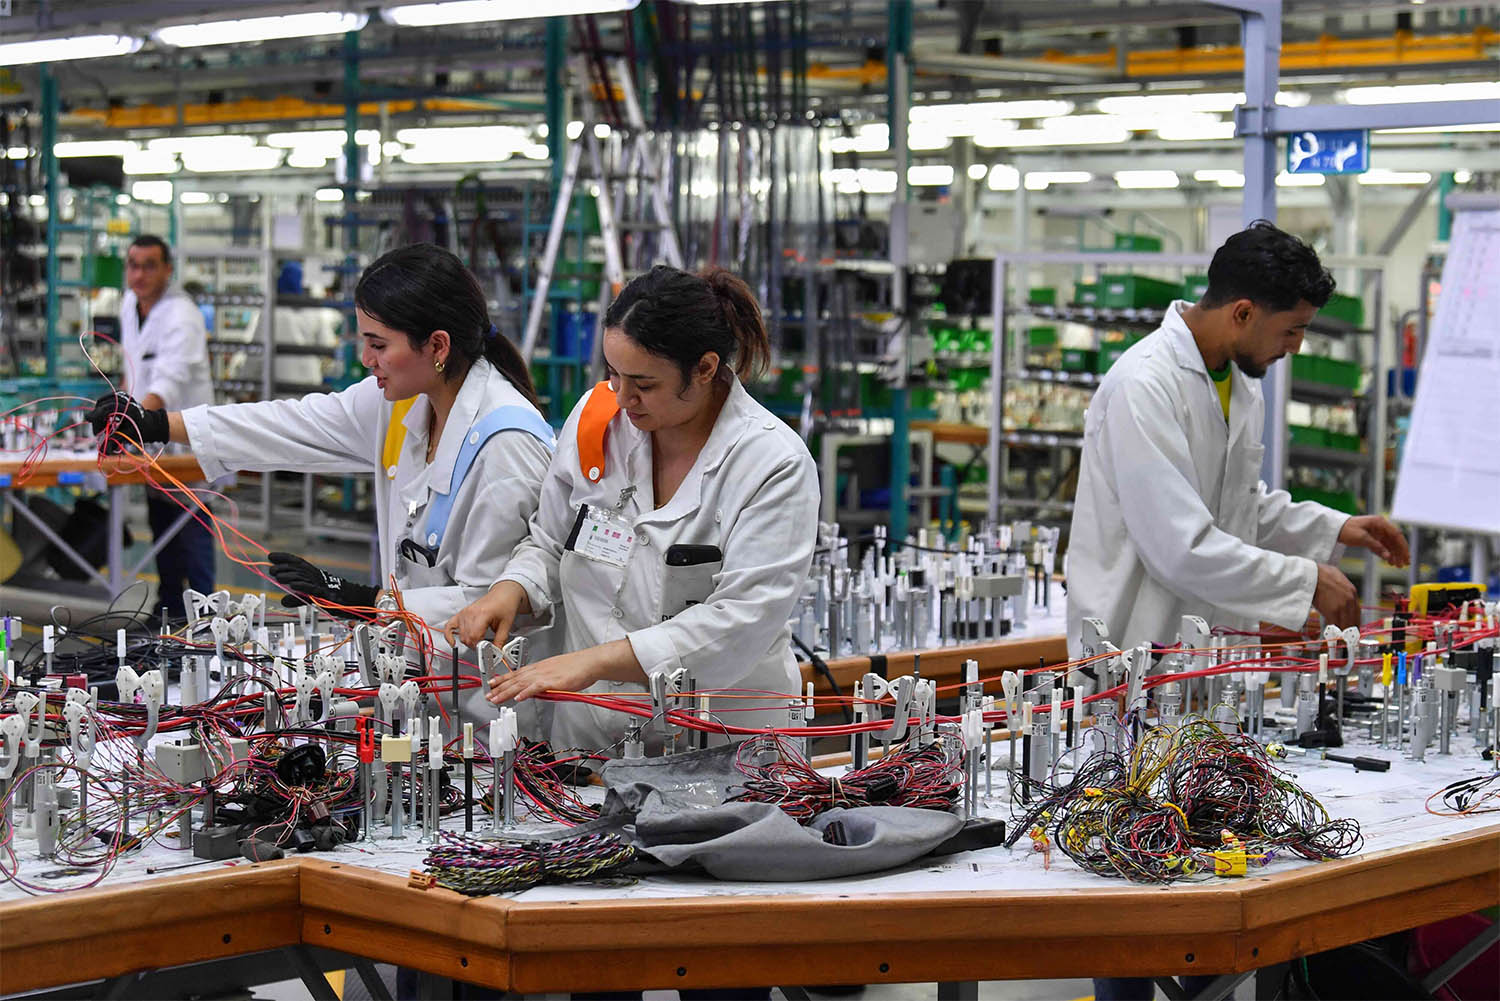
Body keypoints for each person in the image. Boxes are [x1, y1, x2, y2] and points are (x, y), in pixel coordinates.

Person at [1066, 221, 1410, 1001]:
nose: (1295, 348)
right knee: (1129, 872)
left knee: (1201, 860)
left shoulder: (1234, 381)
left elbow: (1237, 507)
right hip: (1135, 653)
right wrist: (1305, 580)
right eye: (1291, 331)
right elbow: (1179, 545)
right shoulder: (1143, 384)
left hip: (1202, 660)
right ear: (1243, 312)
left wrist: (1335, 527)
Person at [88, 243, 553, 722]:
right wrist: (159, 424)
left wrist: (364, 601)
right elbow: (294, 424)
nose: (365, 358)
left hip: (493, 711)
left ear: (437, 346)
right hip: (421, 688)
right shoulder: (407, 401)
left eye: (378, 345)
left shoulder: (505, 444)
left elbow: (492, 606)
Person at [447, 264, 820, 755]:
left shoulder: (771, 463)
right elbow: (551, 541)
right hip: (591, 737)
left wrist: (595, 662)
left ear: (705, 369)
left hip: (723, 746)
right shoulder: (597, 422)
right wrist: (513, 588)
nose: (622, 398)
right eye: (613, 374)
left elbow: (741, 620)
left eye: (644, 383)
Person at [118, 235, 216, 623]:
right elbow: (134, 370)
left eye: (149, 266)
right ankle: (169, 609)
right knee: (161, 523)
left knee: (192, 524)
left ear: (168, 269)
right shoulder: (129, 305)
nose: (139, 274)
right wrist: (122, 413)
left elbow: (167, 382)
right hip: (151, 437)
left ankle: (207, 617)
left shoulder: (182, 314)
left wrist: (134, 422)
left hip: (185, 438)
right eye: (133, 265)